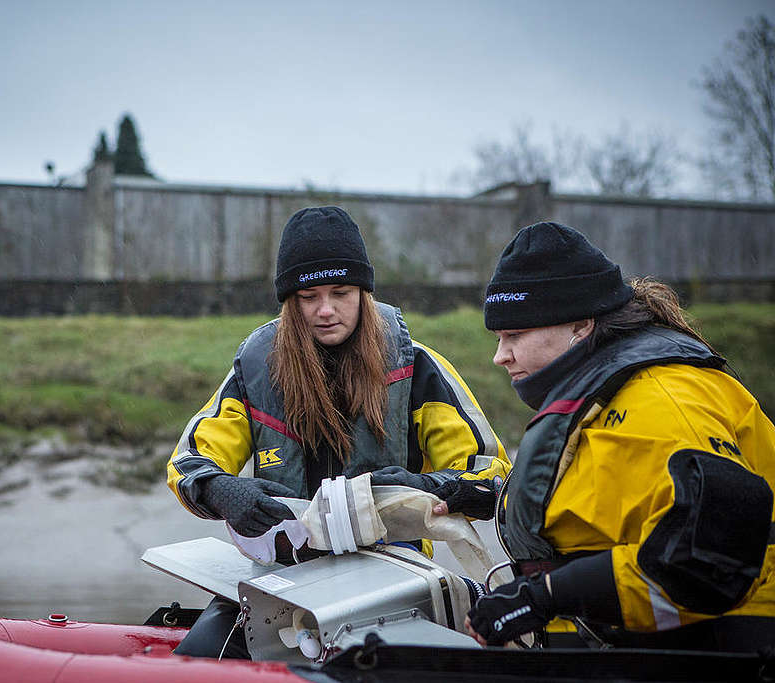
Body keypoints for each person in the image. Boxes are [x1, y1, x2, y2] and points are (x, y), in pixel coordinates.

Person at [166, 206, 510, 658]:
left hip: (394, 575)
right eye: (309, 296)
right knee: (200, 657)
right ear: (290, 303)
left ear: (363, 294)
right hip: (282, 579)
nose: (326, 310)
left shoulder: (419, 368)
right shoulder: (254, 372)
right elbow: (189, 462)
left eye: (341, 292)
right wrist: (222, 490)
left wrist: (421, 487)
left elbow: (491, 476)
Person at [465, 221, 775, 652]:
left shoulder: (663, 400)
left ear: (580, 326)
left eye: (514, 335)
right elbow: (611, 500)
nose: (500, 356)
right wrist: (491, 497)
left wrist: (546, 596)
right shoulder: (604, 395)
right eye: (498, 338)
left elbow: (706, 555)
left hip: (718, 647)